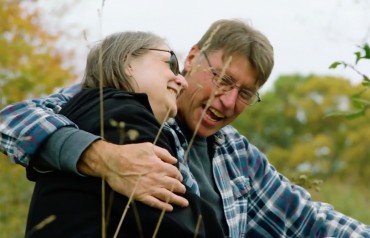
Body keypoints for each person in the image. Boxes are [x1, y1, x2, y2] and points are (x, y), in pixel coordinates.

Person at [1, 19, 370, 237]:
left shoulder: (239, 157)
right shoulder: (124, 98)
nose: (227, 102)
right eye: (222, 80)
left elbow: (310, 222)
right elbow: (11, 120)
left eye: (245, 93)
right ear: (191, 58)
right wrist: (101, 156)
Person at [25, 31, 225, 237]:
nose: (182, 81)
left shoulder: (87, 113)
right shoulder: (121, 113)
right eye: (170, 64)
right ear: (127, 62)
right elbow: (181, 225)